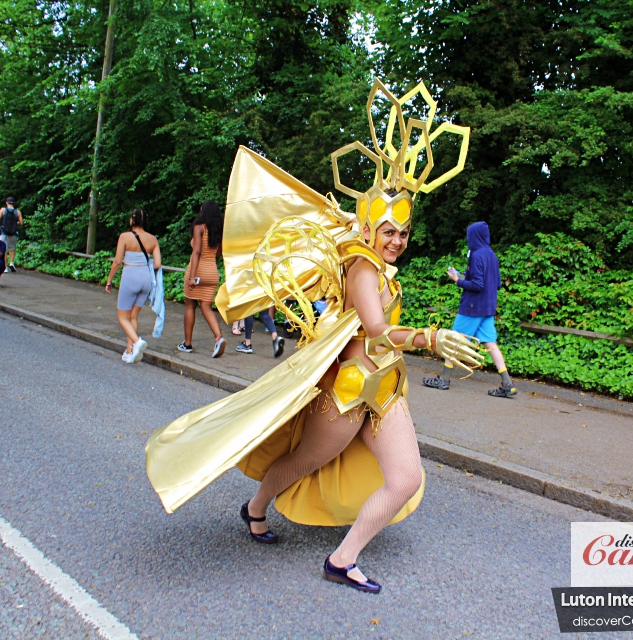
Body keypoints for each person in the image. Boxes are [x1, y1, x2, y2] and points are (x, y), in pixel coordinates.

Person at [145, 80, 481, 593]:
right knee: (304, 460)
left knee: (406, 478)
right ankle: (256, 507)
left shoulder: (376, 264)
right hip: (346, 394)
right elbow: (375, 328)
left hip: (385, 391)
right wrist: (431, 340)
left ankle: (343, 559)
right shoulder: (363, 268)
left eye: (403, 232)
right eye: (387, 231)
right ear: (369, 230)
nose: (396, 240)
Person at [422, 222, 517, 398]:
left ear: (474, 236)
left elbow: (478, 285)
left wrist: (458, 280)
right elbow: (495, 283)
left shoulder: (476, 255)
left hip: (472, 307)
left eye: (469, 236)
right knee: (490, 343)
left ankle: (444, 379)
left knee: (453, 340)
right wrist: (465, 277)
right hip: (488, 307)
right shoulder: (492, 256)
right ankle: (507, 383)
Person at [105, 208, 161, 363]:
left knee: (122, 317)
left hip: (130, 276)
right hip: (146, 279)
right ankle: (130, 352)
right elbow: (157, 263)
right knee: (133, 316)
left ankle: (137, 343)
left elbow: (117, 262)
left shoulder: (125, 237)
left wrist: (109, 280)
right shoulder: (153, 239)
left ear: (133, 220)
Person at [177, 201, 225, 357]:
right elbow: (218, 254)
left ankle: (187, 343)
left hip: (198, 271)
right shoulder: (219, 231)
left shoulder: (199, 228)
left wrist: (192, 276)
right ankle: (218, 337)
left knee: (190, 306)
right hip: (212, 272)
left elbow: (197, 252)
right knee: (206, 307)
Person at [0, 197, 23, 271]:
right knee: (12, 248)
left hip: (4, 233)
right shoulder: (18, 212)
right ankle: (11, 263)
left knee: (4, 249)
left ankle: (5, 266)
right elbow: (21, 223)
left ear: (6, 202)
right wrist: (15, 222)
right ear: (13, 203)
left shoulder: (3, 210)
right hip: (13, 233)